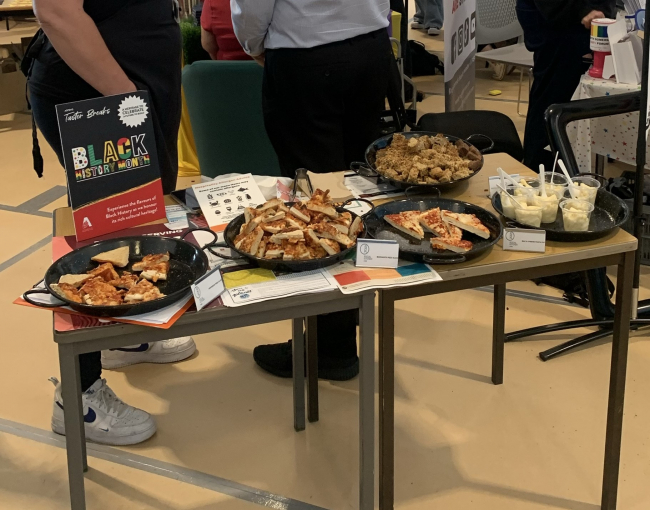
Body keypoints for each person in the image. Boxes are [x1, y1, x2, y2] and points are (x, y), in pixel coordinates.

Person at [28, 0, 195, 446]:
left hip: (134, 94)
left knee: (140, 227)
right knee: (103, 236)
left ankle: (127, 337)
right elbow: (56, 10)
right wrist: (124, 97)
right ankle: (77, 396)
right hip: (101, 97)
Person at [232, 0, 392, 381]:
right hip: (370, 46)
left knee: (313, 203)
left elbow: (251, 8)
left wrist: (255, 44)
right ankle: (354, 308)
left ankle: (330, 346)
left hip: (306, 52)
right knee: (355, 190)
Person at [516, 0, 615, 171]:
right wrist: (584, 9)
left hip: (585, 20)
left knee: (569, 103)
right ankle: (540, 174)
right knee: (552, 101)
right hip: (558, 23)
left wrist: (602, 10)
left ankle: (560, 171)